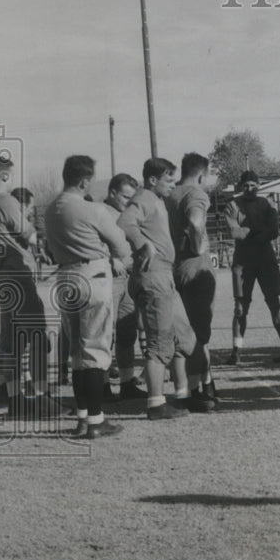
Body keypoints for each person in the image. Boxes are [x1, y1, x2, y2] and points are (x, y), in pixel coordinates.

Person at [45, 155, 132, 438]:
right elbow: (120, 244)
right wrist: (115, 256)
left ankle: (83, 417)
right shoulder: (93, 209)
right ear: (84, 180)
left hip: (65, 277)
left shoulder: (51, 209)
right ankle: (96, 420)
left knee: (77, 352)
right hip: (93, 275)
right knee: (95, 350)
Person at [117, 158, 199, 419]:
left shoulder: (158, 202)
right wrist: (143, 244)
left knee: (183, 336)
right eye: (169, 180)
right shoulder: (145, 198)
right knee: (159, 343)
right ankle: (156, 404)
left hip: (165, 276)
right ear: (153, 180)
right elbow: (124, 222)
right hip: (153, 277)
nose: (173, 184)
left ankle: (183, 394)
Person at [0, 155, 52, 416]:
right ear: (4, 175)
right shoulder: (7, 201)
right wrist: (49, 244)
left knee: (12, 340)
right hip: (18, 276)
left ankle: (15, 400)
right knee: (37, 337)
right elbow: (29, 234)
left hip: (3, 275)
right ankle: (43, 399)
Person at [168, 153, 219, 409]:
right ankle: (200, 388)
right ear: (202, 174)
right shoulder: (195, 194)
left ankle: (195, 385)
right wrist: (198, 246)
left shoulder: (168, 194)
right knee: (200, 334)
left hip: (172, 267)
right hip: (194, 267)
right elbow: (196, 220)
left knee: (181, 332)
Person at [225, 170, 280, 364]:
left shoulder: (267, 203)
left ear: (259, 185)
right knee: (240, 307)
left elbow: (274, 231)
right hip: (243, 261)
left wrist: (252, 232)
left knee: (274, 302)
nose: (250, 189)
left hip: (265, 259)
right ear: (240, 187)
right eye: (246, 186)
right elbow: (235, 232)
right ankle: (236, 351)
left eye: (253, 185)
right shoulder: (232, 205)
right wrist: (259, 231)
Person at [102, 173, 147, 400]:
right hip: (108, 279)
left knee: (127, 331)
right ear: (112, 193)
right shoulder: (100, 212)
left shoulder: (127, 213)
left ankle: (127, 382)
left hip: (129, 277)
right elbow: (88, 242)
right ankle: (102, 385)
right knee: (104, 334)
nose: (128, 201)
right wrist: (110, 259)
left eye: (132, 197)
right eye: (125, 196)